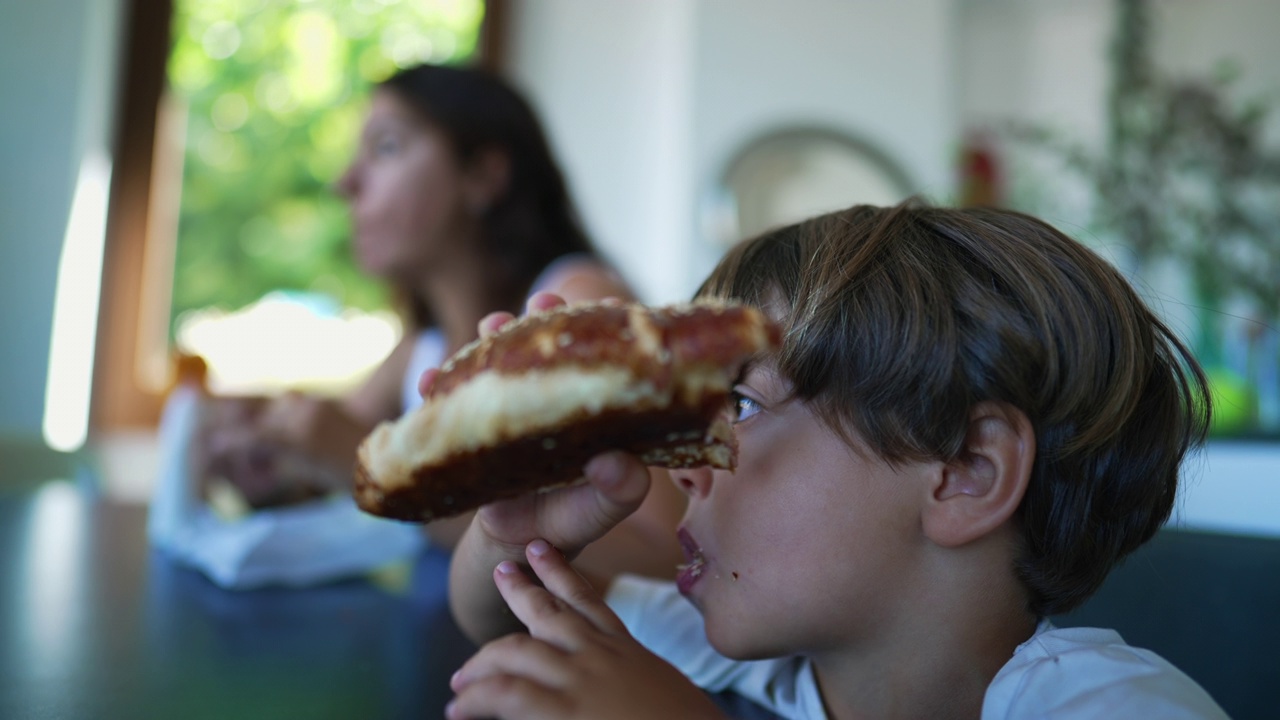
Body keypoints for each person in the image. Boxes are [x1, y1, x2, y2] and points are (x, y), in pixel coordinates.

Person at [439, 202, 1231, 719]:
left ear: (964, 471)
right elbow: (508, 618)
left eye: (740, 407)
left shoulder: (1115, 704)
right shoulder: (757, 665)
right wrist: (514, 532)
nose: (683, 468)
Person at [197, 63, 685, 570]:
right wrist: (268, 469)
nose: (345, 182)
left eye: (385, 147)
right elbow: (328, 469)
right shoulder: (420, 348)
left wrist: (377, 474)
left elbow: (661, 555)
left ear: (483, 176)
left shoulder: (574, 304)